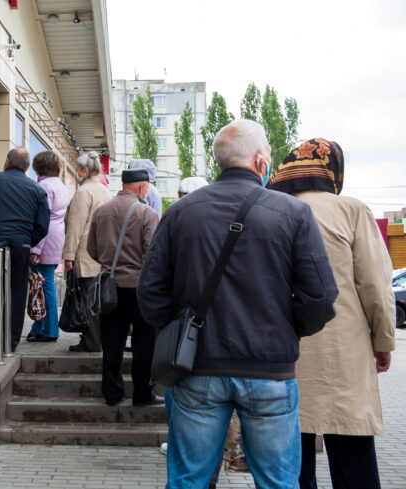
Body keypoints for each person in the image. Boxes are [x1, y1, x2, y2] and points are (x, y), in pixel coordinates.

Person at [137, 119, 339, 489]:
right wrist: (285, 330)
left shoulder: (179, 213)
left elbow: (150, 291)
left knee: (188, 481)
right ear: (262, 162)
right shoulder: (293, 214)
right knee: (278, 482)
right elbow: (321, 297)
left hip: (195, 368)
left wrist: (180, 328)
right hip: (270, 371)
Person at [268, 139, 396, 489]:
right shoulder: (351, 210)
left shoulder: (269, 208)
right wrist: (383, 341)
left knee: (293, 463)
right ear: (333, 170)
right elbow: (374, 285)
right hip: (345, 353)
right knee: (353, 454)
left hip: (283, 350)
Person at [87, 168, 161, 407]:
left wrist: (110, 264)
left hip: (110, 287)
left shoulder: (101, 211)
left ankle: (112, 393)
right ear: (142, 187)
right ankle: (142, 394)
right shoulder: (147, 213)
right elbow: (154, 252)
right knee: (144, 343)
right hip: (139, 287)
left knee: (111, 342)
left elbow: (92, 250)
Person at [0, 148, 50, 353]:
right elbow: (42, 225)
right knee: (16, 293)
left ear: (6, 161)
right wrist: (26, 241)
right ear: (27, 166)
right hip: (19, 247)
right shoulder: (37, 189)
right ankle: (10, 343)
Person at [62, 151, 111, 352]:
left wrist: (68, 256)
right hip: (101, 253)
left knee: (86, 301)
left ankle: (91, 341)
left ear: (85, 170)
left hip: (84, 253)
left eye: (79, 168)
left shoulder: (83, 192)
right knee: (97, 302)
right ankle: (98, 339)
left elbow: (75, 226)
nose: (77, 171)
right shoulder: (104, 190)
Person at [26, 151, 70, 342]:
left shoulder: (43, 186)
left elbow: (42, 219)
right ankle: (40, 327)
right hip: (57, 237)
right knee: (44, 284)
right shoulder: (60, 186)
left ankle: (50, 329)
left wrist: (36, 249)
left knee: (44, 285)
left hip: (45, 240)